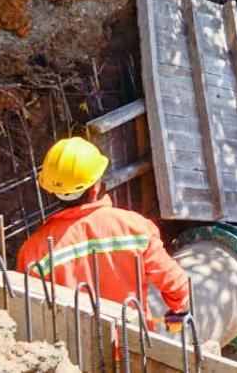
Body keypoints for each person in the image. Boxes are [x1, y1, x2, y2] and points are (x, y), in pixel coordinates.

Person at [17, 138, 191, 330]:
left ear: (52, 191)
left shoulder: (34, 250)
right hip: (134, 345)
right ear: (95, 186)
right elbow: (176, 283)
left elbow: (28, 308)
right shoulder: (135, 227)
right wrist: (178, 312)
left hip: (75, 352)